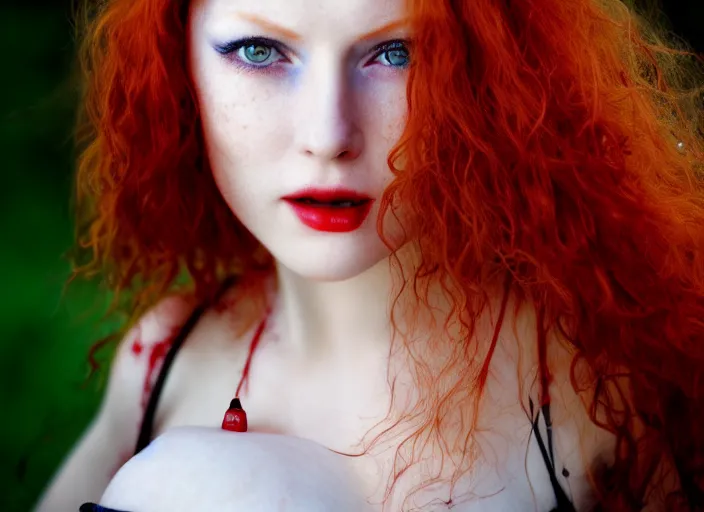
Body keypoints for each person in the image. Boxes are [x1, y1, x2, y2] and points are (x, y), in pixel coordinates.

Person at [34, 0, 704, 510]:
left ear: (489, 74)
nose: (328, 135)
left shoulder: (595, 387)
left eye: (395, 54)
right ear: (178, 67)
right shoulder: (164, 363)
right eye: (260, 51)